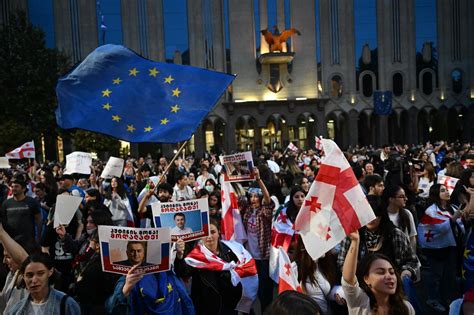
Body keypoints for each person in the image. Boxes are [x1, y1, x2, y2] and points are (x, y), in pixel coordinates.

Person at [174, 219, 251, 314]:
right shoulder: (196, 255)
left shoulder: (232, 252)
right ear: (201, 236)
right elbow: (183, 272)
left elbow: (244, 276)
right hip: (206, 308)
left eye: (213, 232)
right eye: (206, 233)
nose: (209, 236)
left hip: (228, 306)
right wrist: (180, 256)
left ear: (219, 233)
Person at [341, 230, 415, 314]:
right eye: (381, 272)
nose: (389, 276)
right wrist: (355, 241)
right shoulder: (360, 302)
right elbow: (348, 279)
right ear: (366, 279)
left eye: (392, 272)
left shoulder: (407, 308)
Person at [418, 184, 464, 312]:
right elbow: (436, 228)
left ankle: (446, 297)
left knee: (449, 275)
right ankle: (432, 299)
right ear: (436, 194)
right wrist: (453, 220)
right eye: (443, 190)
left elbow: (460, 224)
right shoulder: (431, 211)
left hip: (450, 246)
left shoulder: (452, 208)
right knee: (436, 275)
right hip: (435, 249)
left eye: (446, 190)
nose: (447, 192)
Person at [238, 168, 275, 313]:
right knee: (251, 289)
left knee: (265, 290)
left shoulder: (264, 212)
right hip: (249, 257)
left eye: (256, 196)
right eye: (251, 196)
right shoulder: (247, 211)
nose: (253, 199)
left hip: (264, 257)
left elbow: (268, 200)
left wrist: (258, 180)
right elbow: (236, 197)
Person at [5, 253, 81, 315]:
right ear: (23, 276)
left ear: (50, 272)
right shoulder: (16, 310)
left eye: (40, 273)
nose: (34, 280)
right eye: (29, 275)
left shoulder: (66, 304)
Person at [294, 235, 342, 314]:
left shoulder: (325, 263)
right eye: (319, 240)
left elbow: (325, 291)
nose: (325, 243)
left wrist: (337, 296)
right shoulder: (296, 269)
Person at [0, 178, 42, 247]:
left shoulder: (32, 202)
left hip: (28, 241)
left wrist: (38, 237)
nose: (13, 188)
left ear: (23, 189)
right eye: (12, 187)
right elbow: (3, 221)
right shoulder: (6, 203)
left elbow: (39, 220)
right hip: (11, 240)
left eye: (16, 186)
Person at [381, 186, 417, 252]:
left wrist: (412, 255)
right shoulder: (381, 216)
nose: (406, 199)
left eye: (405, 196)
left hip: (404, 255)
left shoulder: (407, 214)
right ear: (391, 199)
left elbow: (412, 237)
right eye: (401, 197)